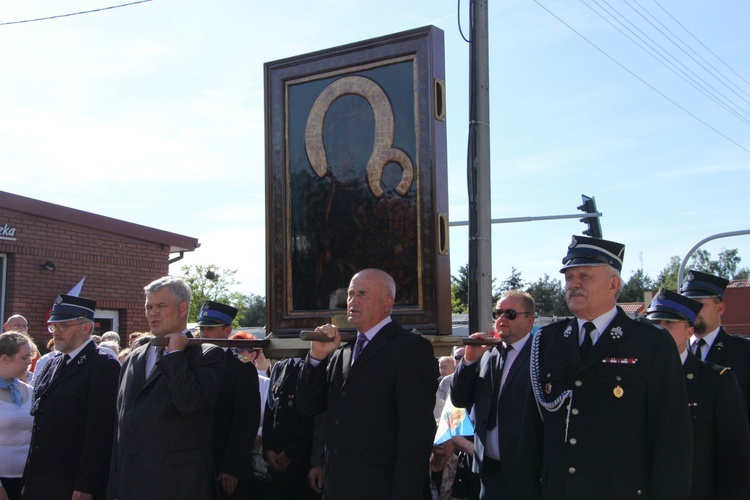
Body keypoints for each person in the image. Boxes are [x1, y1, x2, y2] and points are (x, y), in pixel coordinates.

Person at [524, 236, 692, 499]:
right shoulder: (547, 340)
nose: (573, 284)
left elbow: (672, 439)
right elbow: (531, 436)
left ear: (614, 284)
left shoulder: (650, 343)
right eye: (569, 277)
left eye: (585, 276)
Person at [297, 268, 438, 500]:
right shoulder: (342, 352)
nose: (352, 300)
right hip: (337, 488)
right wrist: (317, 359)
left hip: (381, 488)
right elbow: (308, 407)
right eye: (350, 294)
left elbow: (417, 434)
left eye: (362, 294)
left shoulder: (410, 348)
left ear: (387, 303)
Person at [106, 276, 225, 500]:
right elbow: (121, 424)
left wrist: (176, 355)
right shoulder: (134, 358)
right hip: (131, 485)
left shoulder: (207, 355)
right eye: (148, 307)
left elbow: (190, 404)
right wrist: (114, 486)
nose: (152, 313)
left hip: (178, 485)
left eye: (161, 306)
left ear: (183, 308)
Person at [646, 288, 750, 499]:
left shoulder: (717, 382)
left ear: (689, 331)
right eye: (655, 324)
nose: (661, 330)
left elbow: (735, 461)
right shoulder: (635, 380)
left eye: (669, 324)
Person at [23, 294, 121, 500]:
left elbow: (101, 432)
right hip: (42, 480)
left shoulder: (103, 366)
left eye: (63, 326)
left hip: (73, 483)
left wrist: (88, 483)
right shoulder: (53, 363)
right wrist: (29, 479)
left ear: (85, 328)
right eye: (53, 327)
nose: (56, 333)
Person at [451, 290, 537, 499]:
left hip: (528, 472)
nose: (501, 319)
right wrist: (469, 360)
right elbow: (460, 399)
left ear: (530, 320)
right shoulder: (487, 352)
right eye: (497, 313)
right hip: (487, 471)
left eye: (510, 314)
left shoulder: (540, 354)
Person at [197, 300, 260, 499]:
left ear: (227, 330)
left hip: (223, 462)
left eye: (210, 328)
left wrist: (231, 466)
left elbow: (246, 420)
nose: (203, 334)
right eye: (201, 328)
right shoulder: (193, 362)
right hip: (195, 461)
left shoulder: (241, 367)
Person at [680, 270, 750, 418]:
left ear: (720, 308)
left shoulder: (743, 352)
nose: (691, 311)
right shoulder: (672, 349)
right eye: (687, 304)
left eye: (699, 304)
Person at [264, 356, 319, 499]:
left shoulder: (314, 366)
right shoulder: (281, 366)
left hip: (300, 462)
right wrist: (268, 449)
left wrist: (290, 453)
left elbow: (312, 418)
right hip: (277, 457)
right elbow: (271, 408)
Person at [0, 332, 34, 500]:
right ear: (5, 359)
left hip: (27, 482)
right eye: (25, 357)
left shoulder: (29, 391)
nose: (30, 362)